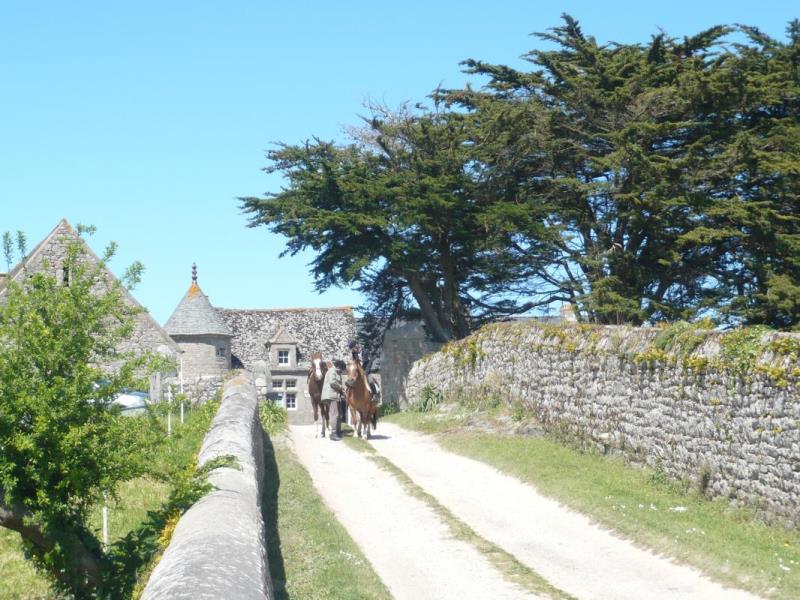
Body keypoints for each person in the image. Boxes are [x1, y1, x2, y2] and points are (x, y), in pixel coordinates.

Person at [320, 359, 347, 440]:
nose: (341, 371)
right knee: (334, 414)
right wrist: (341, 387)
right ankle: (333, 433)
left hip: (336, 396)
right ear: (338, 367)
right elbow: (332, 382)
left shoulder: (336, 372)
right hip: (331, 396)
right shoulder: (332, 371)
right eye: (341, 369)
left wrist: (342, 392)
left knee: (339, 414)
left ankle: (338, 431)